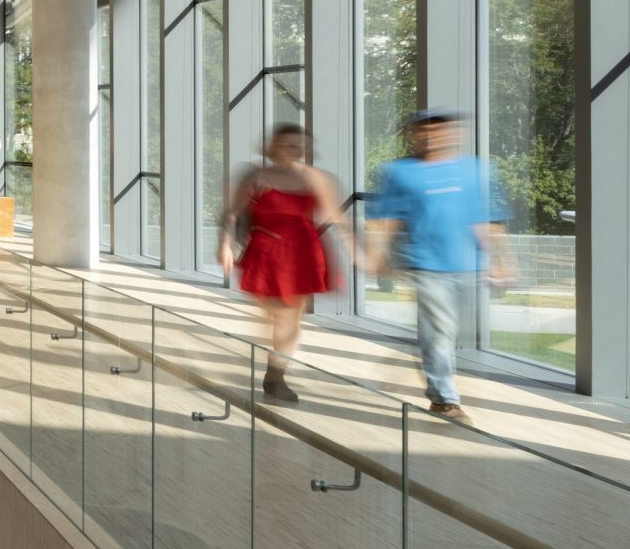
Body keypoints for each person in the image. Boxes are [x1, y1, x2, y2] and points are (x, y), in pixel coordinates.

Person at [363, 110, 511, 425]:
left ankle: (419, 368)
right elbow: (385, 218)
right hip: (425, 263)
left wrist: (500, 260)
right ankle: (445, 400)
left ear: (454, 133)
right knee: (440, 332)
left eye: (439, 129)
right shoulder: (398, 172)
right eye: (424, 130)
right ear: (413, 135)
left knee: (452, 333)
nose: (432, 135)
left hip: (470, 265)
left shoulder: (476, 169)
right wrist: (376, 254)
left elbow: (487, 217)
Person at [219, 123, 344, 406]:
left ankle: (276, 373)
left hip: (303, 251)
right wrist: (225, 244)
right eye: (287, 144)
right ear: (272, 146)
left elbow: (337, 216)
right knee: (276, 316)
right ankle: (275, 367)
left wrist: (361, 250)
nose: (293, 150)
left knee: (291, 317)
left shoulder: (315, 177)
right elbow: (231, 214)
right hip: (267, 250)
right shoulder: (256, 176)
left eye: (299, 145)